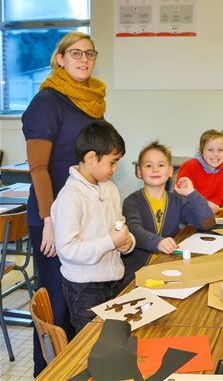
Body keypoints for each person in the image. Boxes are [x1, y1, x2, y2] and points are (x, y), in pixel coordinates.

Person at [21, 31, 106, 376]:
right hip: (52, 220)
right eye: (75, 53)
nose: (84, 59)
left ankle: (75, 371)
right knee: (56, 309)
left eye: (89, 53)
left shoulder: (93, 100)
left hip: (84, 216)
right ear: (59, 59)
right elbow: (38, 168)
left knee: (80, 306)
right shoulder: (47, 102)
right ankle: (48, 373)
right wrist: (49, 219)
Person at [51, 120, 135, 333]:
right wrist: (109, 242)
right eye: (112, 162)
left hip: (114, 280)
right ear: (90, 158)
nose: (115, 169)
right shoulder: (70, 197)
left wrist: (127, 242)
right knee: (90, 346)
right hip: (84, 288)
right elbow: (67, 249)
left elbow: (119, 226)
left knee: (113, 341)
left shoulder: (111, 189)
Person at [121, 141, 215, 288]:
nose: (155, 169)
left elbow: (207, 222)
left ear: (170, 171)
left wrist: (191, 193)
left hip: (167, 269)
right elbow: (133, 229)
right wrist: (158, 242)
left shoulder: (176, 200)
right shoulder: (132, 201)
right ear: (139, 171)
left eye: (161, 165)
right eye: (148, 165)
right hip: (136, 275)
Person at [177, 130, 223, 213]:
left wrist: (212, 205)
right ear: (202, 151)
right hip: (185, 213)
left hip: (207, 213)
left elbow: (219, 197)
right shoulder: (189, 166)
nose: (215, 154)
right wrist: (205, 205)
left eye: (220, 150)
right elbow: (181, 196)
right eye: (210, 150)